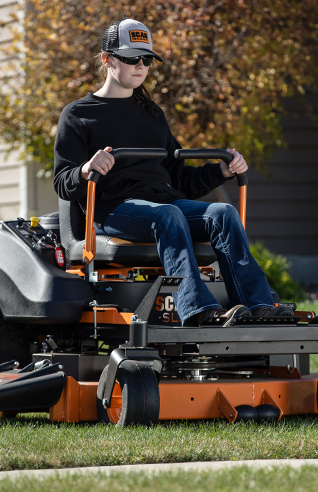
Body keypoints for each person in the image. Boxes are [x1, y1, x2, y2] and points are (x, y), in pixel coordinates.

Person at [53, 18, 292, 326]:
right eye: (130, 58)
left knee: (223, 214)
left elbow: (180, 179)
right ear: (107, 59)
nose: (140, 66)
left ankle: (258, 306)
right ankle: (198, 310)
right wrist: (86, 169)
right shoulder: (77, 115)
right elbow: (63, 182)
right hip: (113, 210)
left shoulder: (152, 115)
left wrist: (221, 171)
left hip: (165, 204)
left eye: (147, 59)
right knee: (168, 216)